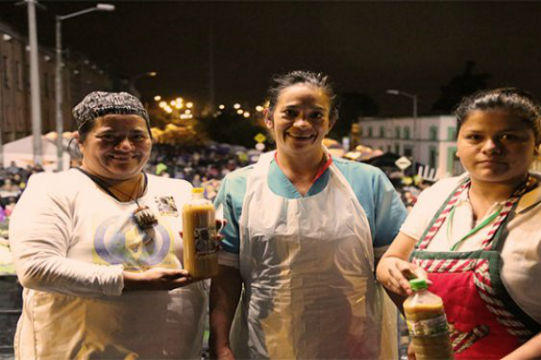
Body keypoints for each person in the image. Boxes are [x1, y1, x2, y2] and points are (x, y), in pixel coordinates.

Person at [376, 88, 541, 359]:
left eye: (509, 137)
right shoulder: (436, 196)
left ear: (536, 145)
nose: (491, 147)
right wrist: (393, 272)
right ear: (458, 145)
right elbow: (390, 261)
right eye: (475, 137)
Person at [210, 71, 407, 359]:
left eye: (316, 115)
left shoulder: (369, 182)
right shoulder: (239, 187)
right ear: (268, 117)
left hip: (354, 345)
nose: (302, 124)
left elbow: (394, 264)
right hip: (266, 344)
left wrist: (420, 327)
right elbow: (226, 275)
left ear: (331, 122)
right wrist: (220, 344)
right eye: (290, 113)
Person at [10, 91, 208, 359]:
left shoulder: (179, 192)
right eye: (109, 137)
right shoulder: (54, 189)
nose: (126, 146)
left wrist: (207, 242)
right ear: (80, 142)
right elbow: (36, 268)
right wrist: (131, 281)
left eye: (137, 136)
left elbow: (200, 267)